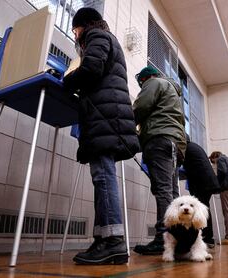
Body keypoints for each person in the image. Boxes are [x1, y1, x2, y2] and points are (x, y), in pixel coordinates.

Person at [63, 7, 140, 264]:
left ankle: (113, 241)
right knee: (102, 177)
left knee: (103, 177)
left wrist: (68, 78)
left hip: (104, 116)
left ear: (84, 25)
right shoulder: (106, 38)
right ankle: (104, 239)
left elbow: (92, 68)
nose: (75, 36)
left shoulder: (96, 36)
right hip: (108, 115)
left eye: (75, 30)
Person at [132, 66, 186, 255]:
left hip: (159, 140)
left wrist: (127, 121)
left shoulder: (153, 83)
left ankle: (163, 238)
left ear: (145, 79)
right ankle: (175, 237)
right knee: (170, 192)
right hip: (176, 145)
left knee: (162, 190)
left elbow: (141, 106)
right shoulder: (173, 93)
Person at [183, 138, 221, 248]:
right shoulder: (194, 146)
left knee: (201, 210)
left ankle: (206, 237)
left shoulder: (187, 148)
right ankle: (208, 238)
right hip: (207, 181)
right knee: (204, 208)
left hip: (202, 182)